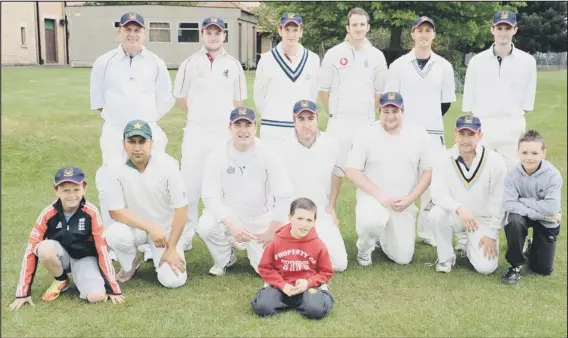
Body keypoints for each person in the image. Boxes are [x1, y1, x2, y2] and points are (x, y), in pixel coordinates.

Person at [91, 12, 175, 261]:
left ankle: (153, 240)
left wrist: (145, 122)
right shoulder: (103, 62)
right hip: (115, 130)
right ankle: (115, 241)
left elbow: (164, 100)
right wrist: (123, 122)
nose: (132, 33)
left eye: (137, 29)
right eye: (128, 29)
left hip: (148, 131)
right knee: (111, 180)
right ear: (120, 31)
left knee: (153, 182)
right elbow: (99, 102)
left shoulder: (156, 62)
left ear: (144, 32)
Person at [173, 16, 247, 253]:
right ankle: (185, 235)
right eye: (209, 32)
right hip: (196, 133)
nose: (213, 36)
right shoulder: (189, 64)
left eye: (218, 32)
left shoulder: (233, 65)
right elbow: (180, 99)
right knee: (190, 186)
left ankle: (227, 233)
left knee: (227, 184)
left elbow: (238, 101)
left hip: (223, 136)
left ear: (224, 35)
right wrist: (200, 117)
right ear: (202, 34)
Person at [384, 16, 456, 248]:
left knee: (433, 182)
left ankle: (427, 230)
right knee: (402, 179)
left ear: (434, 35)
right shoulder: (398, 65)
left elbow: (445, 103)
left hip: (433, 132)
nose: (424, 35)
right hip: (404, 131)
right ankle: (394, 228)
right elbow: (391, 103)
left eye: (428, 30)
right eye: (420, 30)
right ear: (412, 34)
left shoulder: (444, 66)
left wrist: (428, 121)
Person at [196, 107, 293, 276]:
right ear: (230, 127)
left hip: (261, 219)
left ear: (255, 126)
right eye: (237, 125)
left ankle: (254, 247)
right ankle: (225, 258)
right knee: (206, 226)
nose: (243, 130)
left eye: (247, 125)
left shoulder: (269, 154)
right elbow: (209, 195)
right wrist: (232, 226)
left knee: (266, 270)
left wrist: (272, 229)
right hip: (232, 216)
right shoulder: (217, 155)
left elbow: (283, 194)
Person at [10, 167, 123, 311]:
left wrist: (113, 288)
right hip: (61, 257)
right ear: (56, 190)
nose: (72, 195)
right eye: (66, 190)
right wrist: (22, 293)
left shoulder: (91, 212)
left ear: (84, 188)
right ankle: (61, 279)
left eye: (76, 190)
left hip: (85, 258)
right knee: (44, 248)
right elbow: (30, 251)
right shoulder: (47, 213)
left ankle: (82, 277)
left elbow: (102, 249)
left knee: (97, 297)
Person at [346, 92, 433, 266]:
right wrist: (379, 196)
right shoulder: (366, 133)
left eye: (395, 111)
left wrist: (410, 199)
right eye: (386, 111)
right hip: (372, 199)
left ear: (403, 111)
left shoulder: (419, 133)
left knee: (403, 258)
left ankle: (383, 235)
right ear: (379, 111)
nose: (390, 116)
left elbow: (428, 172)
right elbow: (352, 170)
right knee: (372, 222)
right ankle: (365, 249)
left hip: (402, 204)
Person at [99, 120, 188, 288]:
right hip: (136, 227)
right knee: (115, 235)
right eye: (131, 142)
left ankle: (165, 254)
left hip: (165, 230)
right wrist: (150, 228)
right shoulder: (113, 168)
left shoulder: (168, 165)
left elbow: (181, 208)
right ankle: (130, 263)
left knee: (174, 281)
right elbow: (116, 212)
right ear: (123, 143)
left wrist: (172, 247)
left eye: (142, 141)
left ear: (152, 143)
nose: (137, 147)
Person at [428, 115, 507, 275]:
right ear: (455, 134)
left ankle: (469, 244)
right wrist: (459, 208)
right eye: (462, 134)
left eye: (471, 134)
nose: (465, 139)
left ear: (480, 135)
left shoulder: (495, 161)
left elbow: (500, 201)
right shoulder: (444, 158)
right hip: (457, 215)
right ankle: (446, 257)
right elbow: (437, 194)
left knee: (486, 268)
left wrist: (491, 234)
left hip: (482, 220)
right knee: (436, 214)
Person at [318, 7, 388, 186]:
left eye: (362, 24)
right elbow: (323, 90)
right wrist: (334, 113)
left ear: (368, 27)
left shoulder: (377, 56)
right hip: (339, 122)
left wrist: (367, 113)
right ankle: (330, 210)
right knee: (334, 170)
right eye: (354, 24)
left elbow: (379, 91)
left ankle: (368, 210)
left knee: (367, 170)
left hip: (365, 122)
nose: (358, 28)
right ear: (347, 28)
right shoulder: (333, 54)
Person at [277, 100, 348, 272]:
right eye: (301, 119)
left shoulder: (331, 144)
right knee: (278, 263)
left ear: (317, 118)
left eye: (310, 118)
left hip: (320, 215)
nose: (306, 124)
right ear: (294, 121)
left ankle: (305, 257)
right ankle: (305, 255)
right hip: (291, 216)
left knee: (339, 264)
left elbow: (337, 174)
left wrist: (331, 206)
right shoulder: (281, 146)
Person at [462, 10, 537, 170]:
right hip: (484, 125)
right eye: (499, 28)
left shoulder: (527, 61)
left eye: (508, 28)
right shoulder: (477, 61)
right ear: (492, 29)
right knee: (481, 174)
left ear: (515, 29)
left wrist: (511, 116)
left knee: (512, 177)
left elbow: (527, 101)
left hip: (512, 127)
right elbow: (469, 97)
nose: (503, 33)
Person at [251, 198, 334, 320]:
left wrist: (308, 283)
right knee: (263, 308)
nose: (304, 224)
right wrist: (282, 284)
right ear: (290, 217)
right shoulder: (276, 241)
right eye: (299, 218)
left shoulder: (318, 245)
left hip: (307, 287)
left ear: (314, 221)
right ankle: (294, 302)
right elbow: (265, 268)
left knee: (316, 310)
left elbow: (326, 272)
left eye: (309, 220)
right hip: (281, 287)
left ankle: (314, 298)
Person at [501, 130, 563, 284]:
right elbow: (509, 204)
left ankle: (531, 247)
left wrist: (521, 200)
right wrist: (540, 214)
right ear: (518, 153)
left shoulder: (553, 175)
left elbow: (551, 207)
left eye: (534, 153)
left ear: (543, 153)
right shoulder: (511, 175)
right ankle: (515, 265)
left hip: (548, 219)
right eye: (525, 152)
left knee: (542, 270)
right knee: (514, 221)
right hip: (536, 216)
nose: (529, 157)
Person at [254, 13, 320, 147]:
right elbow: (258, 97)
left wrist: (303, 121)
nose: (291, 34)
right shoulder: (266, 59)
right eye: (287, 29)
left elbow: (312, 94)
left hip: (300, 128)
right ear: (280, 30)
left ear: (301, 32)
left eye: (295, 30)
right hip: (272, 127)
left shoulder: (313, 59)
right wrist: (273, 114)